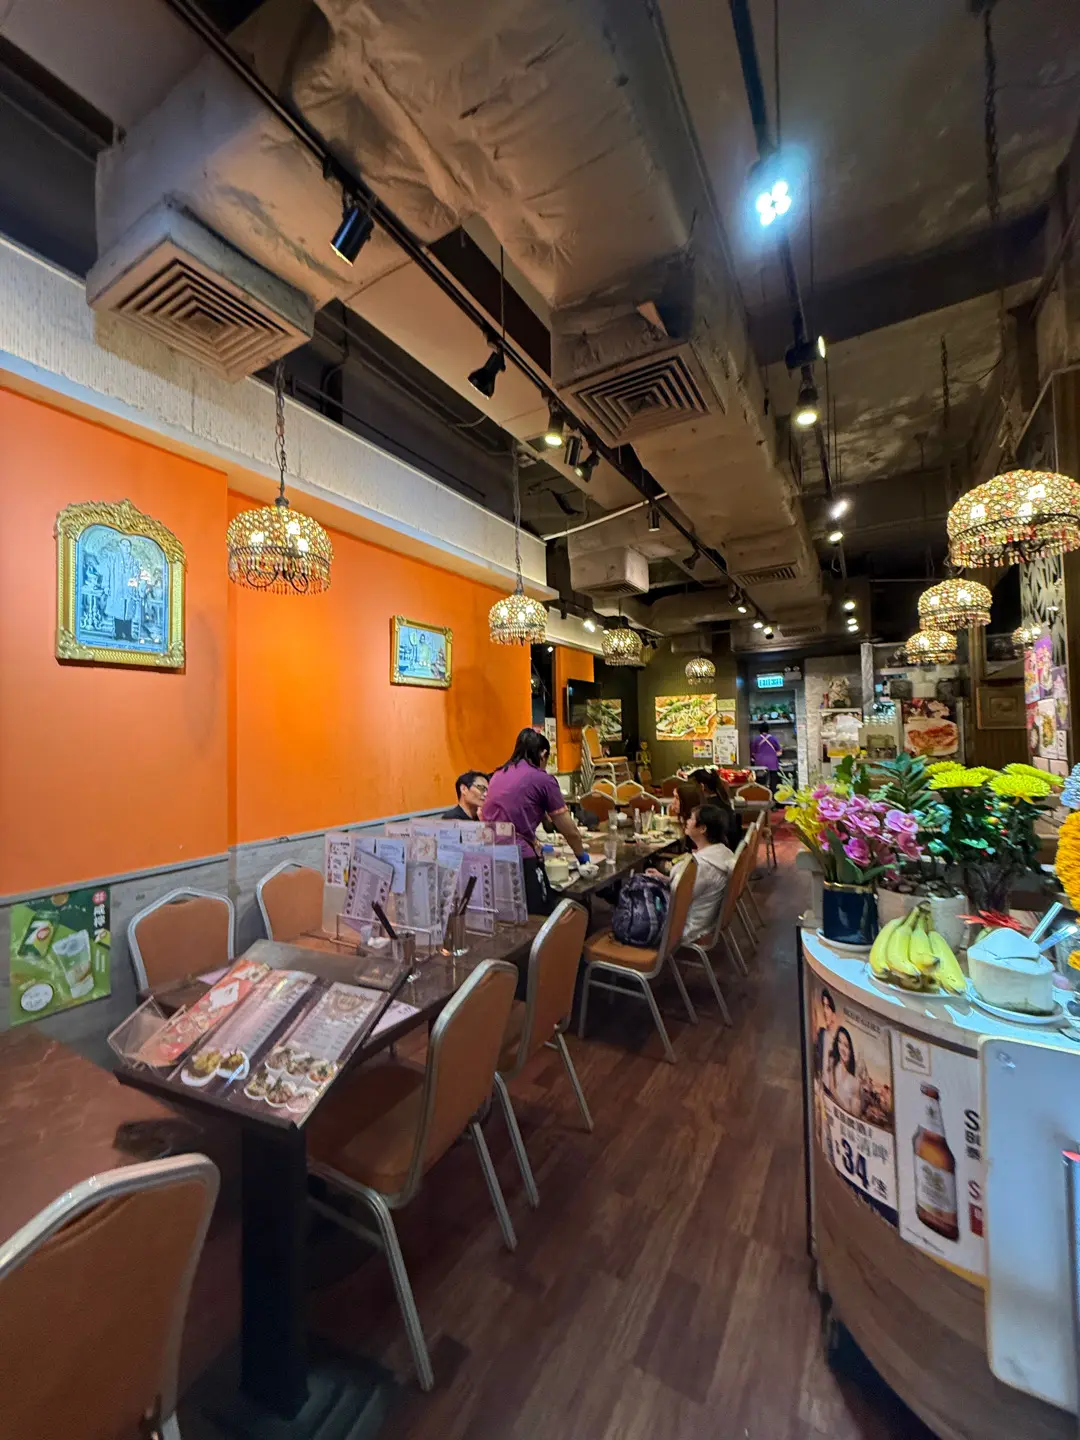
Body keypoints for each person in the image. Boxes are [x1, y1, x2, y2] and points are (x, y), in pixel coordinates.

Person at [482, 728, 591, 915]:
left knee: (505, 914)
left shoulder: (498, 774)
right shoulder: (542, 779)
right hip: (519, 857)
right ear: (543, 754)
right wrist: (582, 858)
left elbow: (516, 811)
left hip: (488, 854)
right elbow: (569, 830)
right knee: (538, 914)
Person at [667, 803, 735, 942]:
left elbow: (677, 899)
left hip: (687, 928)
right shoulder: (724, 853)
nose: (687, 821)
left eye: (691, 819)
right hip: (705, 921)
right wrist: (665, 879)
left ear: (703, 829)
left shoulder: (702, 866)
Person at [690, 769, 741, 849]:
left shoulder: (709, 810)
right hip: (730, 847)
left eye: (691, 786)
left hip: (721, 849)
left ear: (702, 786)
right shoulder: (722, 800)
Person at [827, 1026, 861, 1117]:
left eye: (846, 1045)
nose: (842, 1048)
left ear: (851, 1050)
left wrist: (833, 1091)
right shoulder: (833, 1067)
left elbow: (855, 1116)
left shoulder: (854, 1082)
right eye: (840, 1042)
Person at [668, 780, 704, 850]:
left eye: (677, 798)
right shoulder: (691, 819)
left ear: (688, 799)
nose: (673, 802)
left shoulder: (697, 825)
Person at [749, 723, 783, 793]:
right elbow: (779, 752)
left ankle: (762, 795)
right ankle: (773, 795)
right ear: (768, 730)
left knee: (760, 782)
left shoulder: (756, 739)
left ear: (759, 730)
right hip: (772, 764)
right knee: (773, 781)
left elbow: (752, 753)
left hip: (760, 764)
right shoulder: (773, 739)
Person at [813, 988, 838, 1080]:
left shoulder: (838, 1042)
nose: (824, 1011)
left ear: (833, 1013)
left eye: (827, 1007)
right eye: (823, 1006)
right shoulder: (821, 1034)